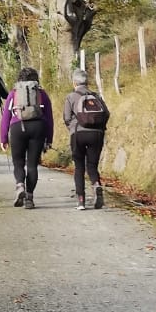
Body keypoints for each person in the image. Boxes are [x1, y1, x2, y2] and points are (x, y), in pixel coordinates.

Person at [0, 67, 55, 208]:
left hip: (18, 127)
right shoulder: (42, 94)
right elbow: (49, 118)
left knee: (18, 163)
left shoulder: (13, 93)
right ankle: (29, 198)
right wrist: (49, 139)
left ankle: (20, 186)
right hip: (38, 128)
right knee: (32, 165)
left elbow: (6, 117)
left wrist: (3, 138)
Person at [62, 69, 109, 210]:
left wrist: (72, 128)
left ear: (74, 83)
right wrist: (99, 128)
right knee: (92, 165)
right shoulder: (96, 96)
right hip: (97, 134)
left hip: (78, 134)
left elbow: (66, 117)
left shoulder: (71, 97)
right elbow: (107, 113)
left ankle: (81, 200)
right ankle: (96, 185)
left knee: (79, 167)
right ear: (87, 82)